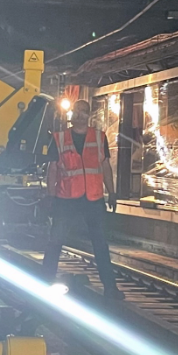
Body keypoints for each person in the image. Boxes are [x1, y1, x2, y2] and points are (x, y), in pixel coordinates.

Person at [41, 100, 122, 299]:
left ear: (89, 115)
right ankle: (43, 282)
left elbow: (104, 167)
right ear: (72, 114)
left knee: (100, 243)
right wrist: (50, 196)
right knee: (56, 241)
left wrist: (111, 192)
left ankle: (110, 289)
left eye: (84, 111)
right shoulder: (59, 139)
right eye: (77, 111)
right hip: (66, 198)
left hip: (93, 198)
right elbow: (52, 170)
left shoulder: (99, 137)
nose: (80, 115)